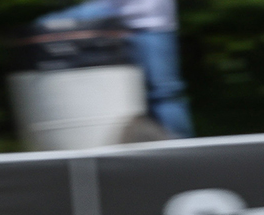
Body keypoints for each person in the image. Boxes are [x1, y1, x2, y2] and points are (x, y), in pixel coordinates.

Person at [40, 0, 194, 138]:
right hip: (122, 20)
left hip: (146, 23)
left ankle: (180, 145)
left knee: (164, 95)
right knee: (148, 95)